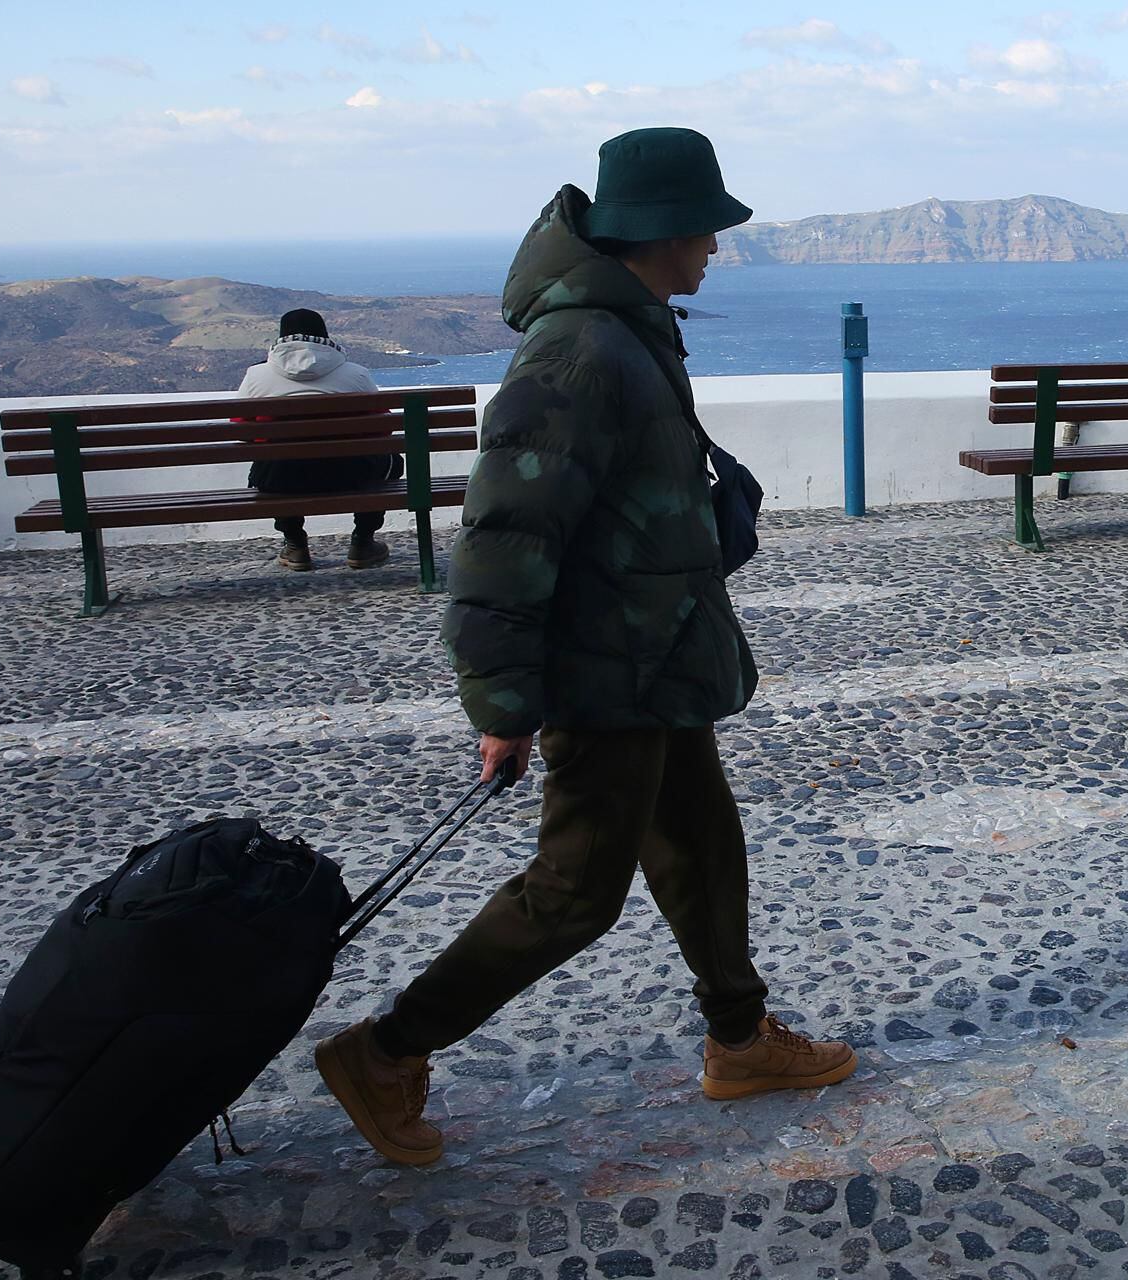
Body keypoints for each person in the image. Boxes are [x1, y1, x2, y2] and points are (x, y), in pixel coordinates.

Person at [313, 128, 857, 1167]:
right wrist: (505, 705)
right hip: (604, 671)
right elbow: (508, 534)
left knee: (700, 842)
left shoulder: (628, 327)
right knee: (573, 891)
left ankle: (740, 1039)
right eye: (707, 227)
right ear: (662, 231)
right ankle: (387, 1049)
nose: (715, 247)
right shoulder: (580, 348)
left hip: (654, 658)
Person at [235, 308, 399, 570]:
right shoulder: (355, 374)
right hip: (352, 474)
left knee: (269, 462)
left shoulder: (257, 376)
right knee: (392, 460)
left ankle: (295, 544)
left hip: (280, 478)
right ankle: (363, 542)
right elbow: (383, 428)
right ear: (323, 334)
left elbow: (241, 430)